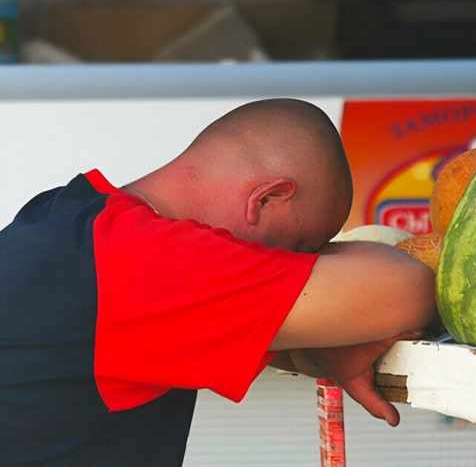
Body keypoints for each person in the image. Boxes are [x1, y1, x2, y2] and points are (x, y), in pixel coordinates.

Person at [0, 98, 437, 466]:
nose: (292, 264)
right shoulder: (152, 262)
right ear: (267, 197)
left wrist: (327, 341)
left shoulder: (70, 216)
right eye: (301, 248)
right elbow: (406, 288)